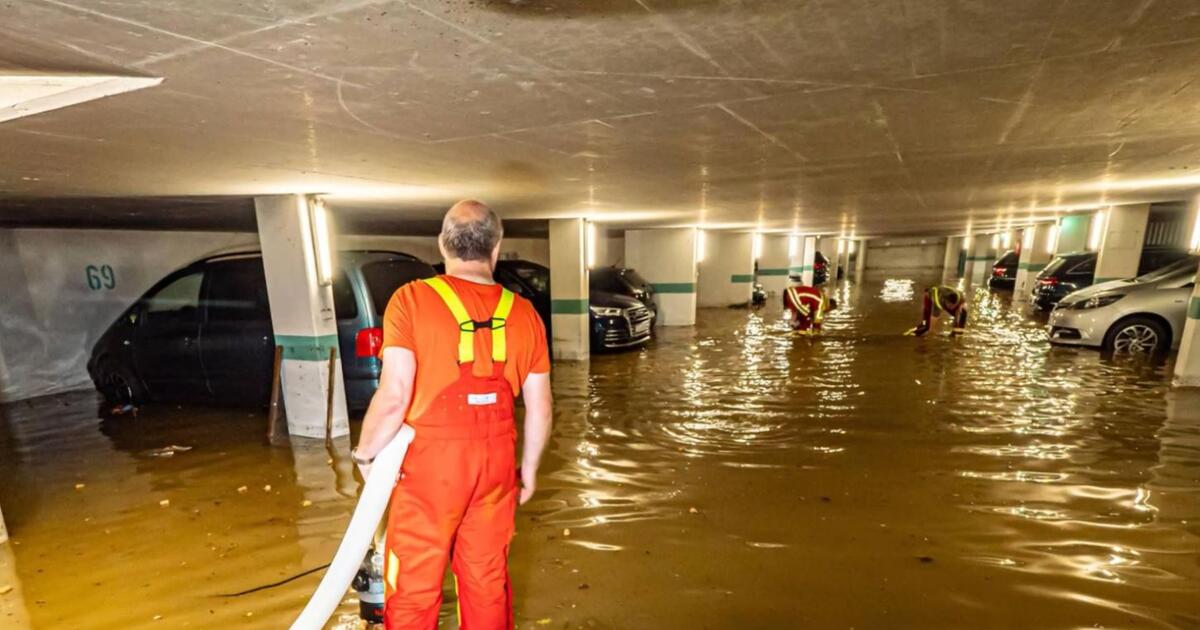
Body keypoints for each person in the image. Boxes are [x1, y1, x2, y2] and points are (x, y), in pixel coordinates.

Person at [352, 200, 553, 629]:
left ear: (442, 245)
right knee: (486, 580)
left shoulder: (410, 300)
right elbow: (540, 405)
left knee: (413, 585)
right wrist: (529, 470)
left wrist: (367, 456)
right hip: (497, 467)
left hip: (430, 469)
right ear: (496, 248)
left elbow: (394, 395)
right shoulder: (525, 314)